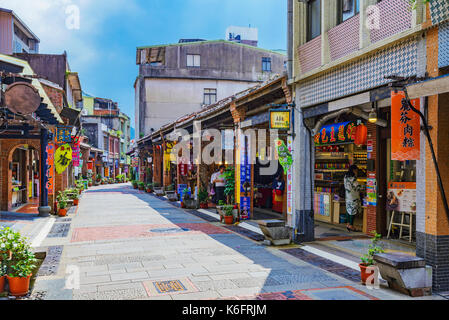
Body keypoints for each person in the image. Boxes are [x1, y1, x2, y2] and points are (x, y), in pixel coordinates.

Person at [344, 165, 363, 232]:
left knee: (348, 209)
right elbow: (357, 186)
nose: (357, 172)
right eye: (356, 170)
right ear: (354, 170)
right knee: (353, 210)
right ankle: (351, 225)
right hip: (353, 196)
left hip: (348, 196)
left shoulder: (345, 177)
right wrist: (363, 187)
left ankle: (348, 224)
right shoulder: (353, 178)